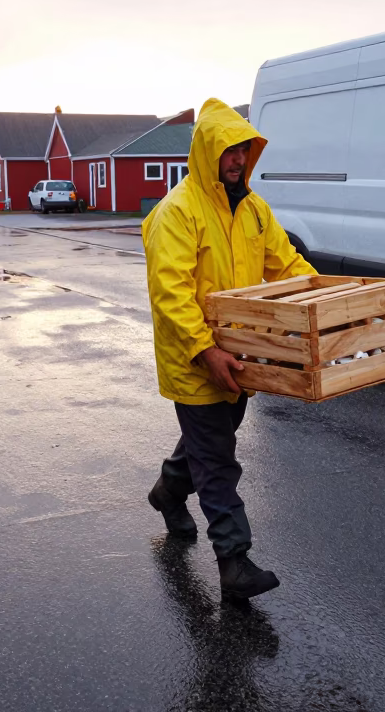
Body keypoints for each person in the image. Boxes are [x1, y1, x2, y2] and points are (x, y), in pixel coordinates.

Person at [142, 99, 316, 601]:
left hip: (240, 358)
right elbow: (170, 295)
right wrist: (206, 352)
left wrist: (325, 301)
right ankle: (234, 564)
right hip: (196, 361)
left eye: (244, 149)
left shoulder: (255, 210)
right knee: (218, 461)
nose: (238, 159)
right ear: (206, 152)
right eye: (229, 150)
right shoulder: (177, 214)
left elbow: (286, 265)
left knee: (206, 445)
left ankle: (167, 491)